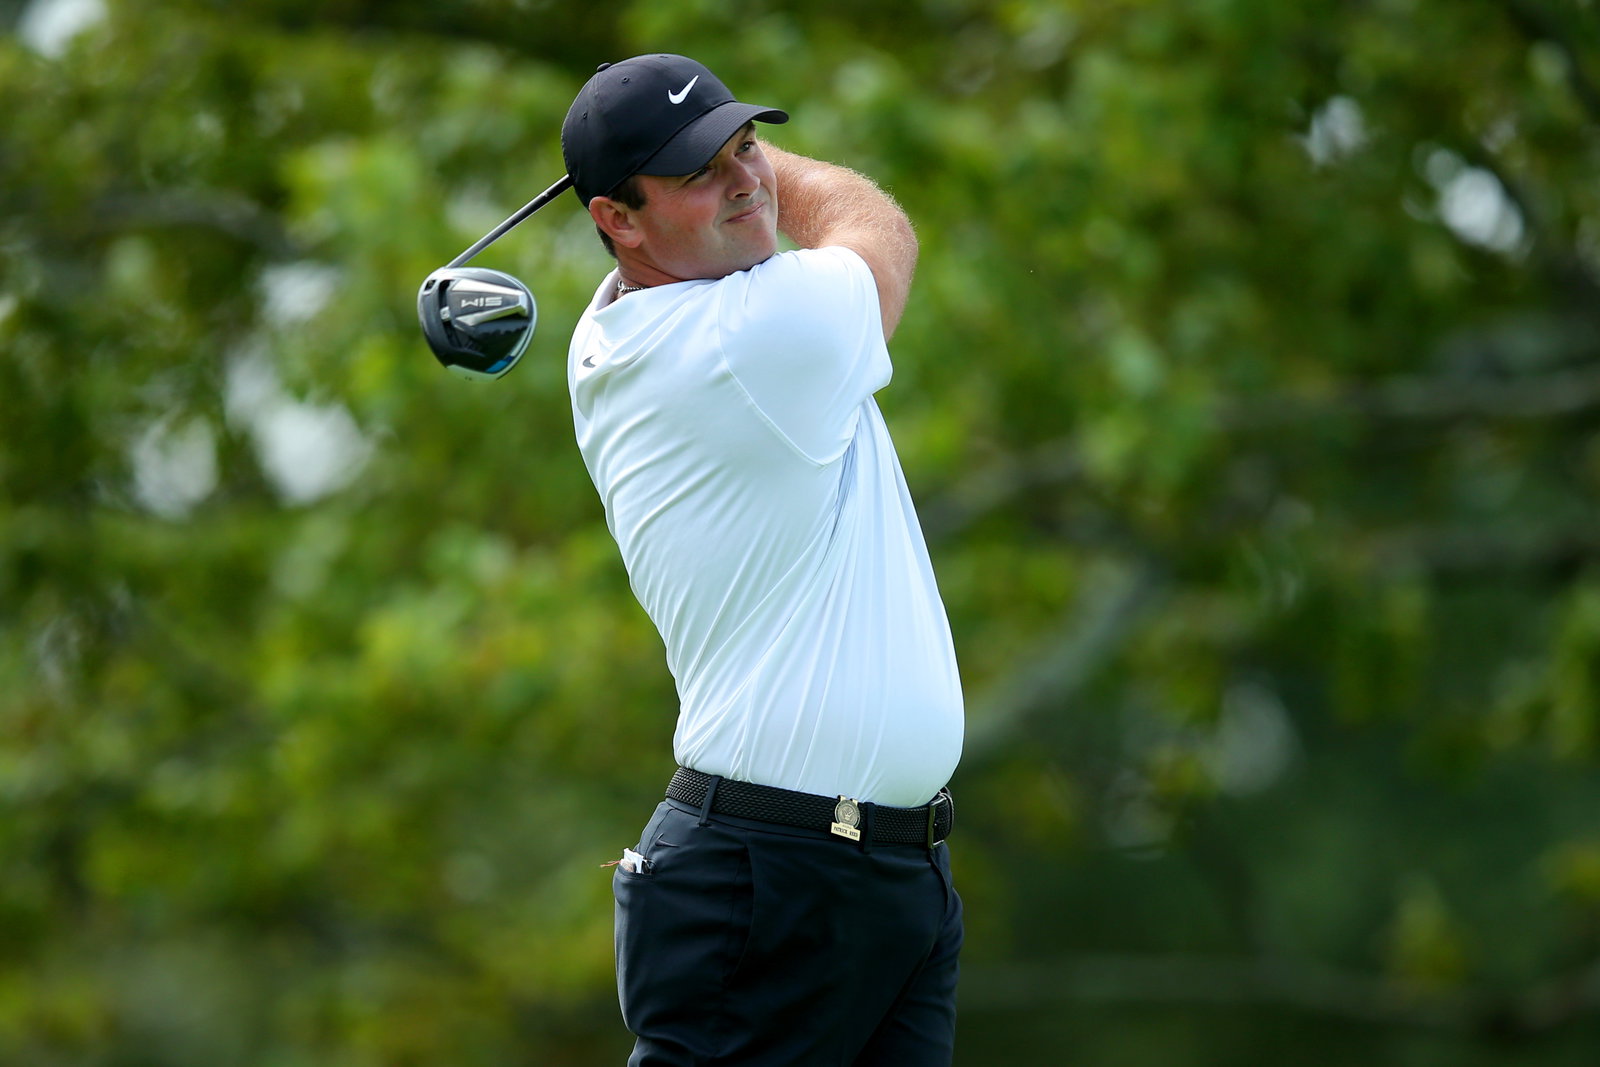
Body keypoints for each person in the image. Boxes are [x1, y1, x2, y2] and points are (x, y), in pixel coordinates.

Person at [560, 54, 965, 1065]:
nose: (747, 180)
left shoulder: (631, 317)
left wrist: (707, 156)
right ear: (618, 217)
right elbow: (881, 229)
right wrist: (771, 160)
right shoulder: (752, 336)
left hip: (877, 879)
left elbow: (739, 216)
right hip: (769, 887)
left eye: (748, 146)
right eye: (704, 170)